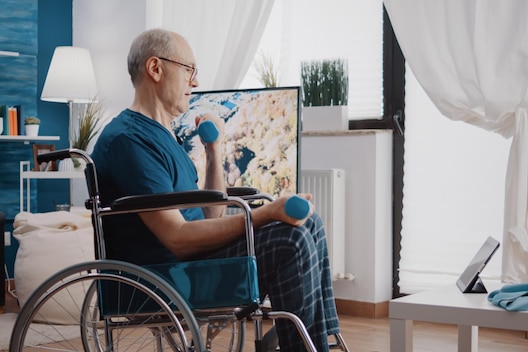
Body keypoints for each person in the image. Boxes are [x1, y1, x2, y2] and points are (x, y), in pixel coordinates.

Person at [90, 28, 342, 351]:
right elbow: (177, 239)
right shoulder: (129, 141)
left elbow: (212, 213)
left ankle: (320, 341)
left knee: (310, 224)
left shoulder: (165, 136)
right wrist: (265, 213)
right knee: (290, 240)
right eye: (189, 70)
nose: (194, 82)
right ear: (155, 68)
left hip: (190, 267)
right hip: (167, 279)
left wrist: (214, 149)